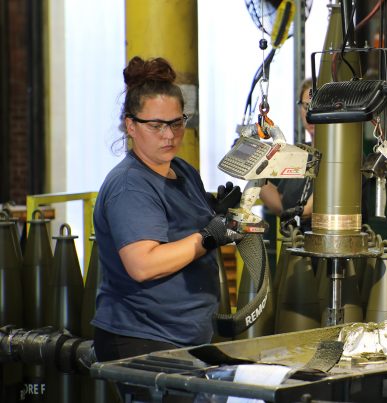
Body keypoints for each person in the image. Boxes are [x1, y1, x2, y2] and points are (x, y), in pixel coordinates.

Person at [92, 56, 241, 363]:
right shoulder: (130, 185)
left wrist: (215, 213)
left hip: (186, 336)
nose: (169, 135)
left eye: (176, 123)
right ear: (131, 125)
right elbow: (143, 265)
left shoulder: (182, 170)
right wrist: (207, 238)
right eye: (156, 125)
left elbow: (182, 227)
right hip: (144, 339)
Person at [259, 78, 315, 231]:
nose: (310, 113)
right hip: (294, 244)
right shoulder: (300, 154)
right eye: (306, 106)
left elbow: (309, 210)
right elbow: (282, 205)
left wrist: (301, 212)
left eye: (317, 107)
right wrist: (253, 170)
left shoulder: (343, 157)